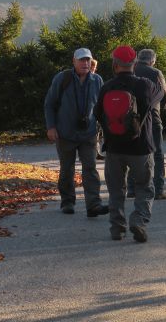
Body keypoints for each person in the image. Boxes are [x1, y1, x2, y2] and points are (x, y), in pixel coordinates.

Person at [94, 46, 164, 243]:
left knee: (116, 190)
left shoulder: (107, 87)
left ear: (115, 65)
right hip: (140, 148)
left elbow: (97, 113)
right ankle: (139, 220)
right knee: (145, 187)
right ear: (134, 64)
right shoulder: (145, 85)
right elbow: (161, 96)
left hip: (114, 148)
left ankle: (117, 228)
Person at [44, 48, 108, 217]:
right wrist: (51, 127)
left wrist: (106, 129)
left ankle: (93, 204)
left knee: (91, 168)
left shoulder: (97, 80)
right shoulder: (62, 79)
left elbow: (101, 107)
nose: (85, 63)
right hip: (65, 133)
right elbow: (49, 103)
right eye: (81, 60)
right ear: (74, 61)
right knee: (67, 169)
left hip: (89, 133)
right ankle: (67, 202)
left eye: (88, 60)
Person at [127, 48, 166, 200]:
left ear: (138, 59)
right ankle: (158, 189)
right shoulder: (156, 73)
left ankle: (131, 188)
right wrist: (159, 108)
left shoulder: (131, 70)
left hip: (133, 119)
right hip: (153, 117)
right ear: (152, 60)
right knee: (157, 153)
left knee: (133, 152)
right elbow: (165, 95)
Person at [91, 58, 106, 161]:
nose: (94, 69)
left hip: (96, 107)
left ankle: (96, 152)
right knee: (92, 132)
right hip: (91, 108)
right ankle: (92, 152)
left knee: (97, 133)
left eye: (95, 67)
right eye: (94, 67)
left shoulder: (97, 78)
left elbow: (102, 93)